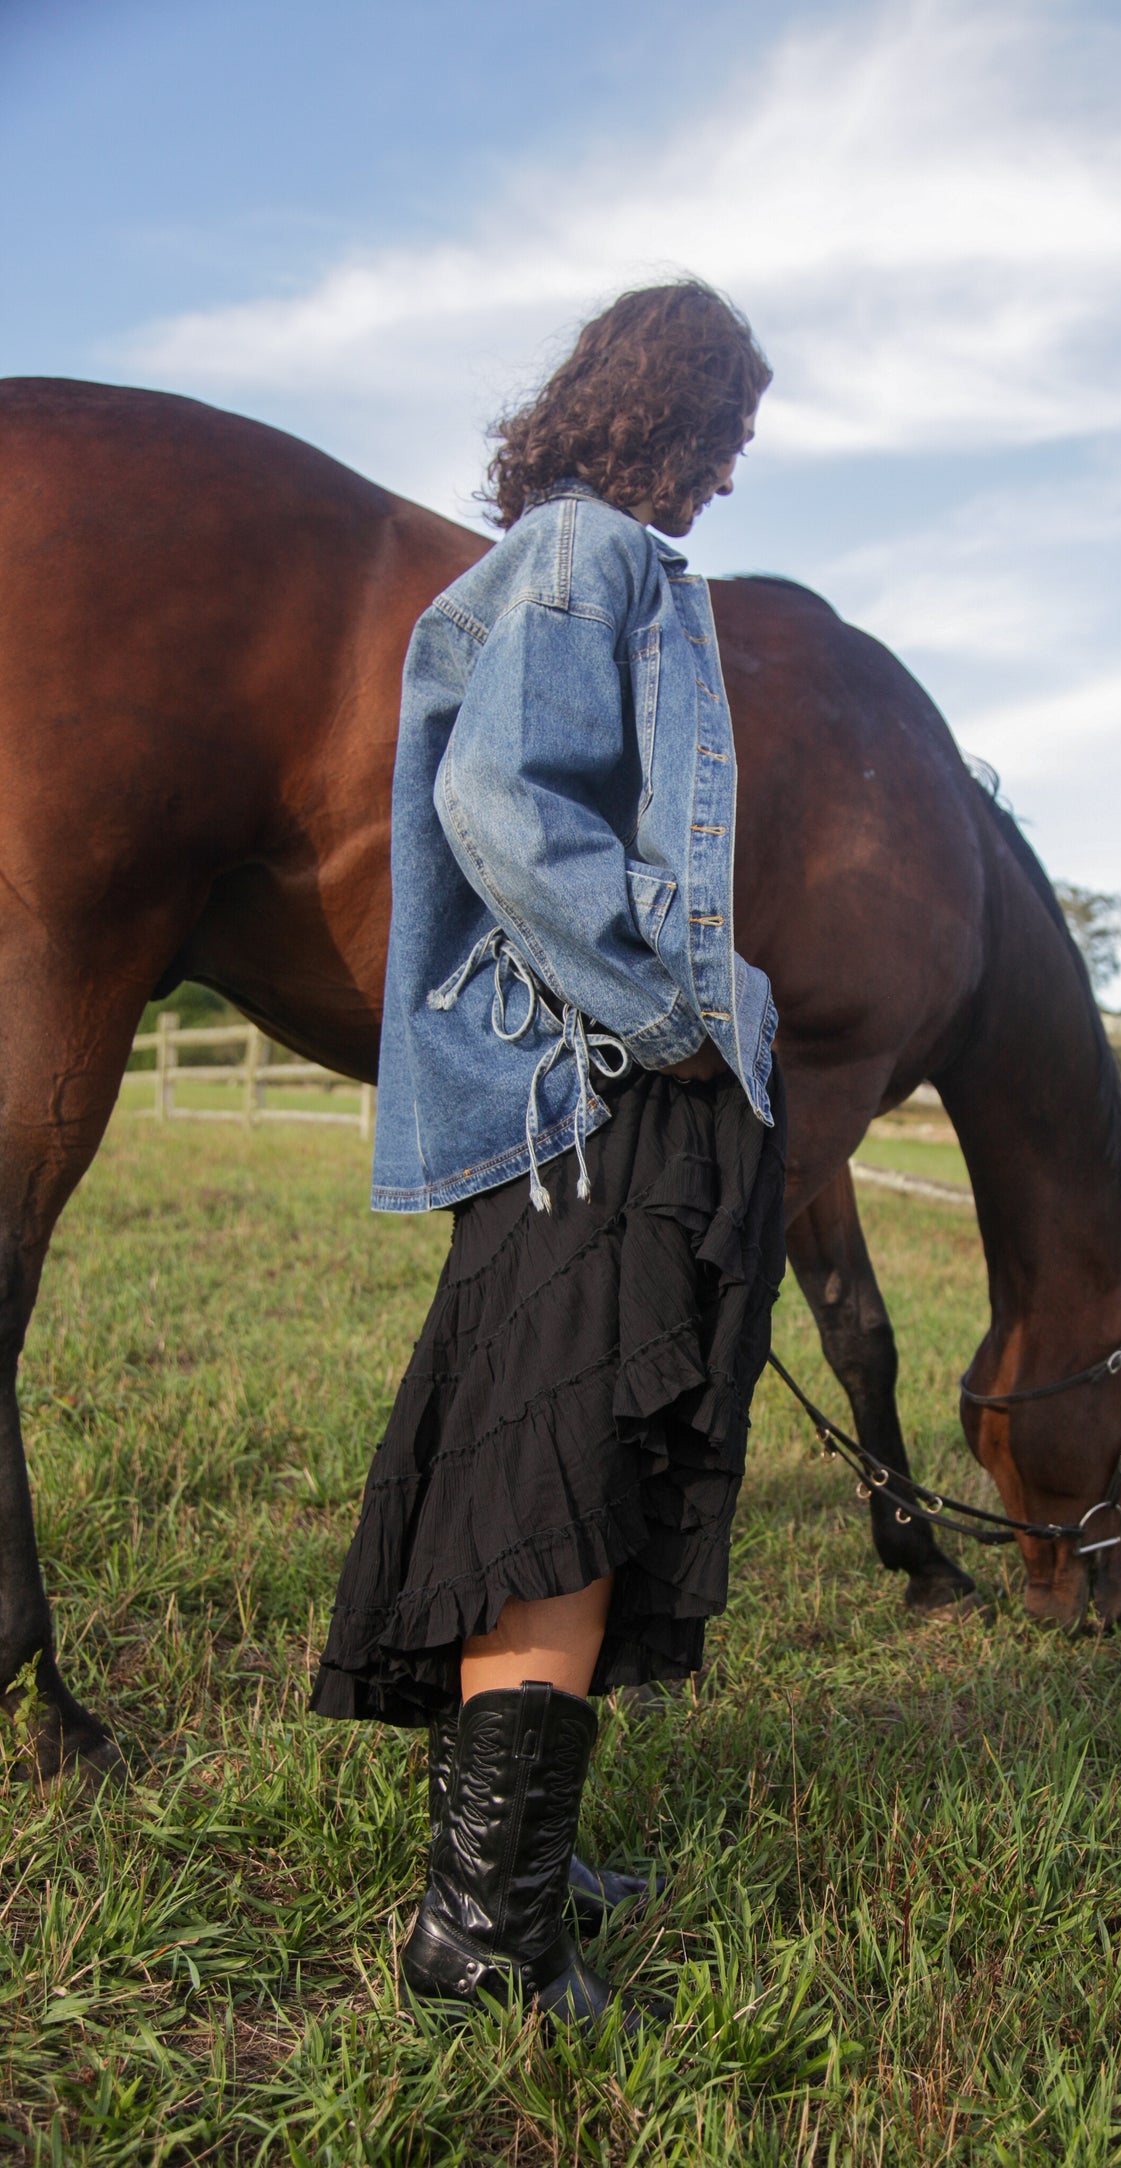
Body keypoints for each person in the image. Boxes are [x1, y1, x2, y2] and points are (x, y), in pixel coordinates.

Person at [310, 280, 785, 2032]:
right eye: (725, 434)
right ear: (671, 413)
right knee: (559, 1494)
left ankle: (511, 1867)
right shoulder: (600, 558)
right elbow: (505, 806)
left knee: (548, 1466)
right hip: (590, 1090)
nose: (727, 475)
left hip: (555, 1093)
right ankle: (482, 1937)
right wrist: (666, 1017)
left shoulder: (553, 556)